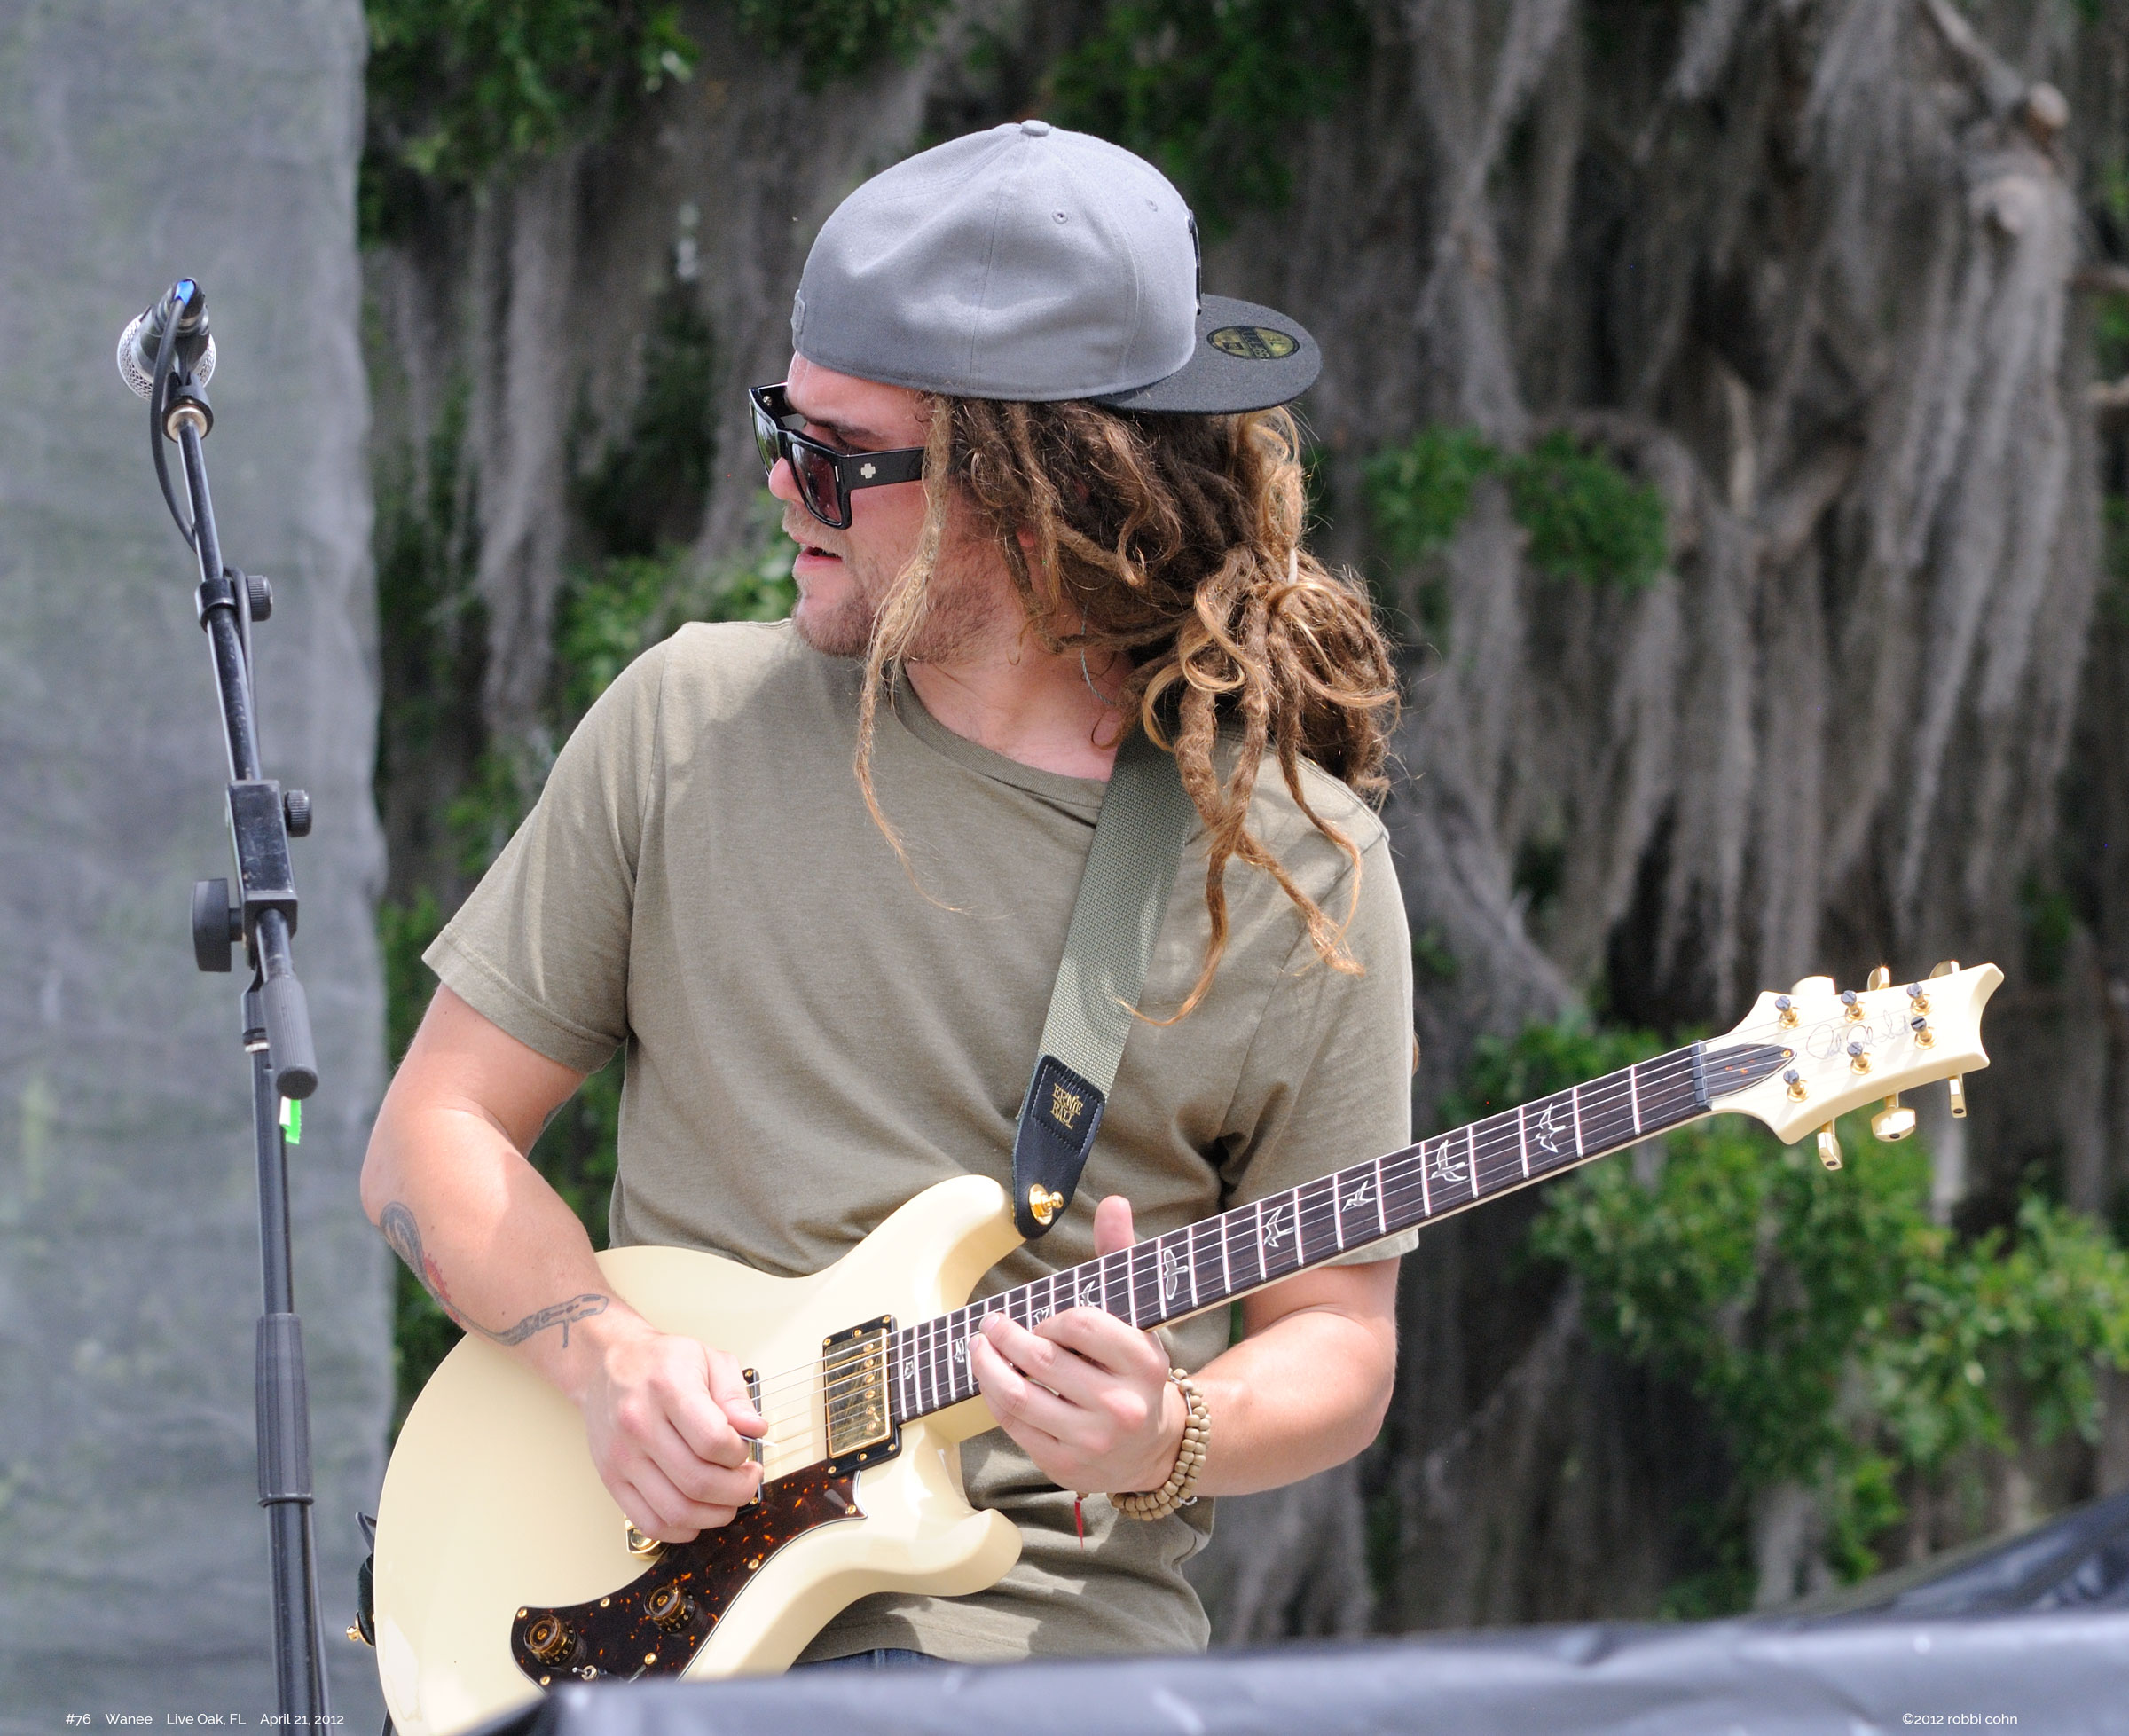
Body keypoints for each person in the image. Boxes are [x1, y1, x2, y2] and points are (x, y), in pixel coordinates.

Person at [360, 119, 1418, 1668]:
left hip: (1043, 1658)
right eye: (782, 424)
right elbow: (432, 1134)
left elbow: (1339, 1336)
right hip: (651, 1623)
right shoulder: (685, 721)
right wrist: (604, 1360)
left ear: (1040, 482)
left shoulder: (1296, 865)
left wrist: (1170, 1430)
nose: (783, 483)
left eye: (839, 457)